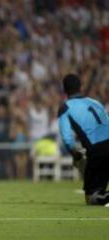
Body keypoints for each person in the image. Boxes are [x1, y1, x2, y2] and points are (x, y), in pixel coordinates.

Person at [57, 74, 109, 206]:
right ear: (81, 86)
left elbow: (67, 139)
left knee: (91, 198)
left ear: (64, 90)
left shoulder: (65, 107)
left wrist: (76, 155)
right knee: (99, 191)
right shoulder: (95, 102)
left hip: (97, 151)